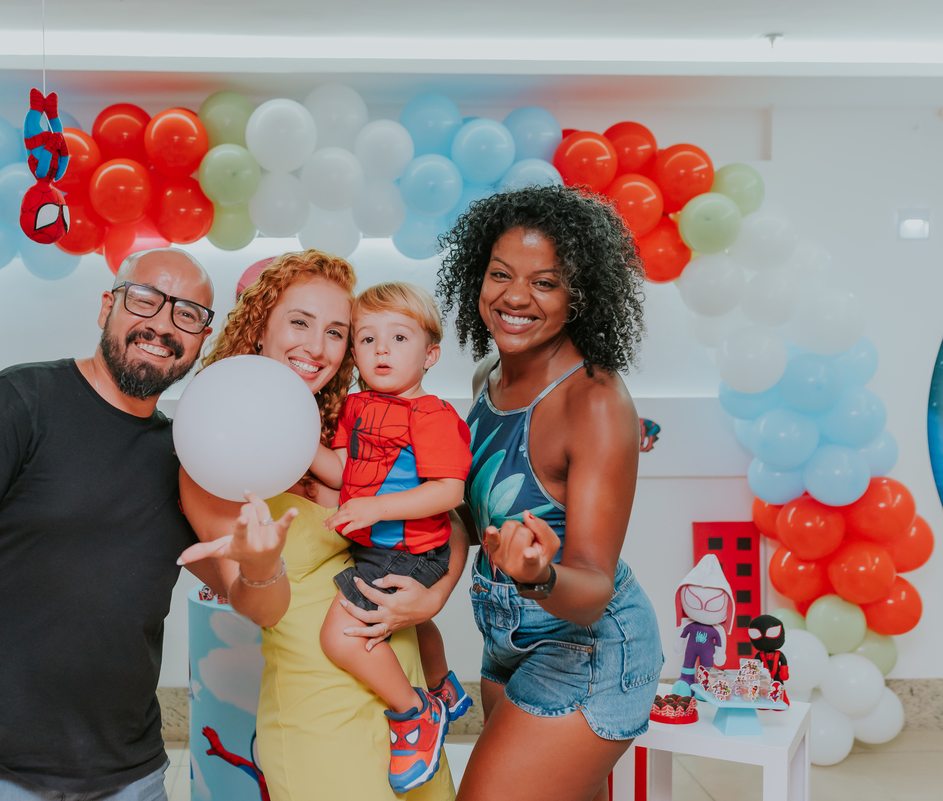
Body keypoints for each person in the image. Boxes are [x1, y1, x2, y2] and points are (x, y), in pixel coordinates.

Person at [0, 248, 285, 800]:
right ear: (107, 305)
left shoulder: (190, 458)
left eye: (187, 315)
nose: (162, 324)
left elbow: (262, 606)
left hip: (129, 776)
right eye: (145, 300)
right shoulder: (15, 402)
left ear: (202, 340)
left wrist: (262, 566)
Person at [178, 252, 463, 801]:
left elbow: (444, 525)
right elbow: (257, 606)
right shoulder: (210, 451)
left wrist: (430, 601)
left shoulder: (344, 425)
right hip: (319, 720)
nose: (318, 347)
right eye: (300, 322)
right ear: (259, 326)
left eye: (337, 331)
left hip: (410, 722)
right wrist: (260, 567)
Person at [434, 185, 664, 801]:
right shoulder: (487, 375)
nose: (514, 297)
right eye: (501, 274)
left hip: (588, 646)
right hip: (505, 637)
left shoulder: (593, 400)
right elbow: (467, 503)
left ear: (579, 295)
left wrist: (535, 575)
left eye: (545, 282)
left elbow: (589, 587)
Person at [309, 282, 472, 793]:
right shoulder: (356, 407)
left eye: (399, 338)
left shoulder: (432, 415)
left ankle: (415, 715)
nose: (381, 349)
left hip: (411, 549)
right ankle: (445, 687)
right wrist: (296, 436)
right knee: (413, 628)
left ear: (431, 354)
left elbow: (448, 491)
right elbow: (337, 471)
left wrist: (377, 507)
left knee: (339, 635)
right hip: (378, 546)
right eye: (367, 338)